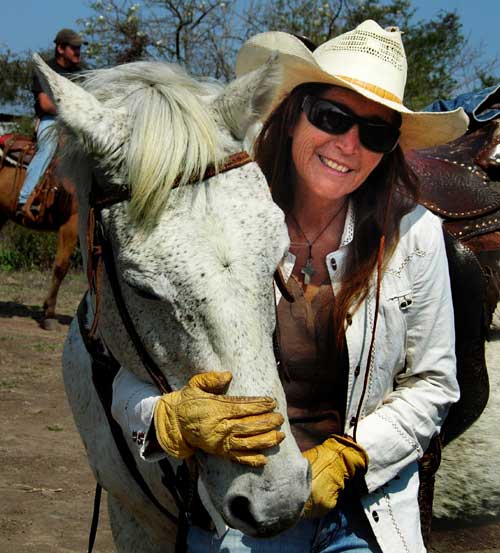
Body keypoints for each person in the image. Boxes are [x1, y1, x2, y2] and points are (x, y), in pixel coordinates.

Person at [110, 20, 467, 553]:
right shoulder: (223, 212)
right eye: (331, 116)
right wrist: (164, 417)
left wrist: (352, 454)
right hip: (239, 507)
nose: (348, 145)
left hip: (362, 510)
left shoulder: (414, 235)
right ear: (294, 113)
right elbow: (129, 363)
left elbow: (435, 384)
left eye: (375, 132)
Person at [17, 28, 86, 214]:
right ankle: (24, 198)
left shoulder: (82, 73)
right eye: (74, 48)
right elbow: (45, 104)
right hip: (51, 120)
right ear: (61, 49)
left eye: (79, 48)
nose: (78, 52)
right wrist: (72, 111)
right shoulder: (45, 70)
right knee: (48, 147)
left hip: (76, 122)